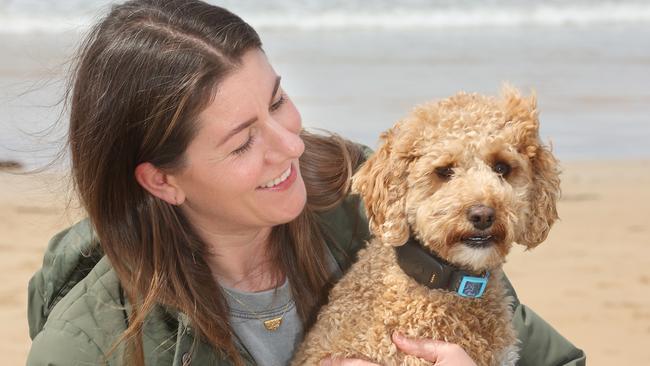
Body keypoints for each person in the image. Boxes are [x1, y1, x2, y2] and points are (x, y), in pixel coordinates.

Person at [26, 1, 586, 365]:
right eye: (243, 141)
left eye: (278, 102)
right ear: (163, 180)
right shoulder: (88, 347)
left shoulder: (371, 199)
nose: (292, 146)